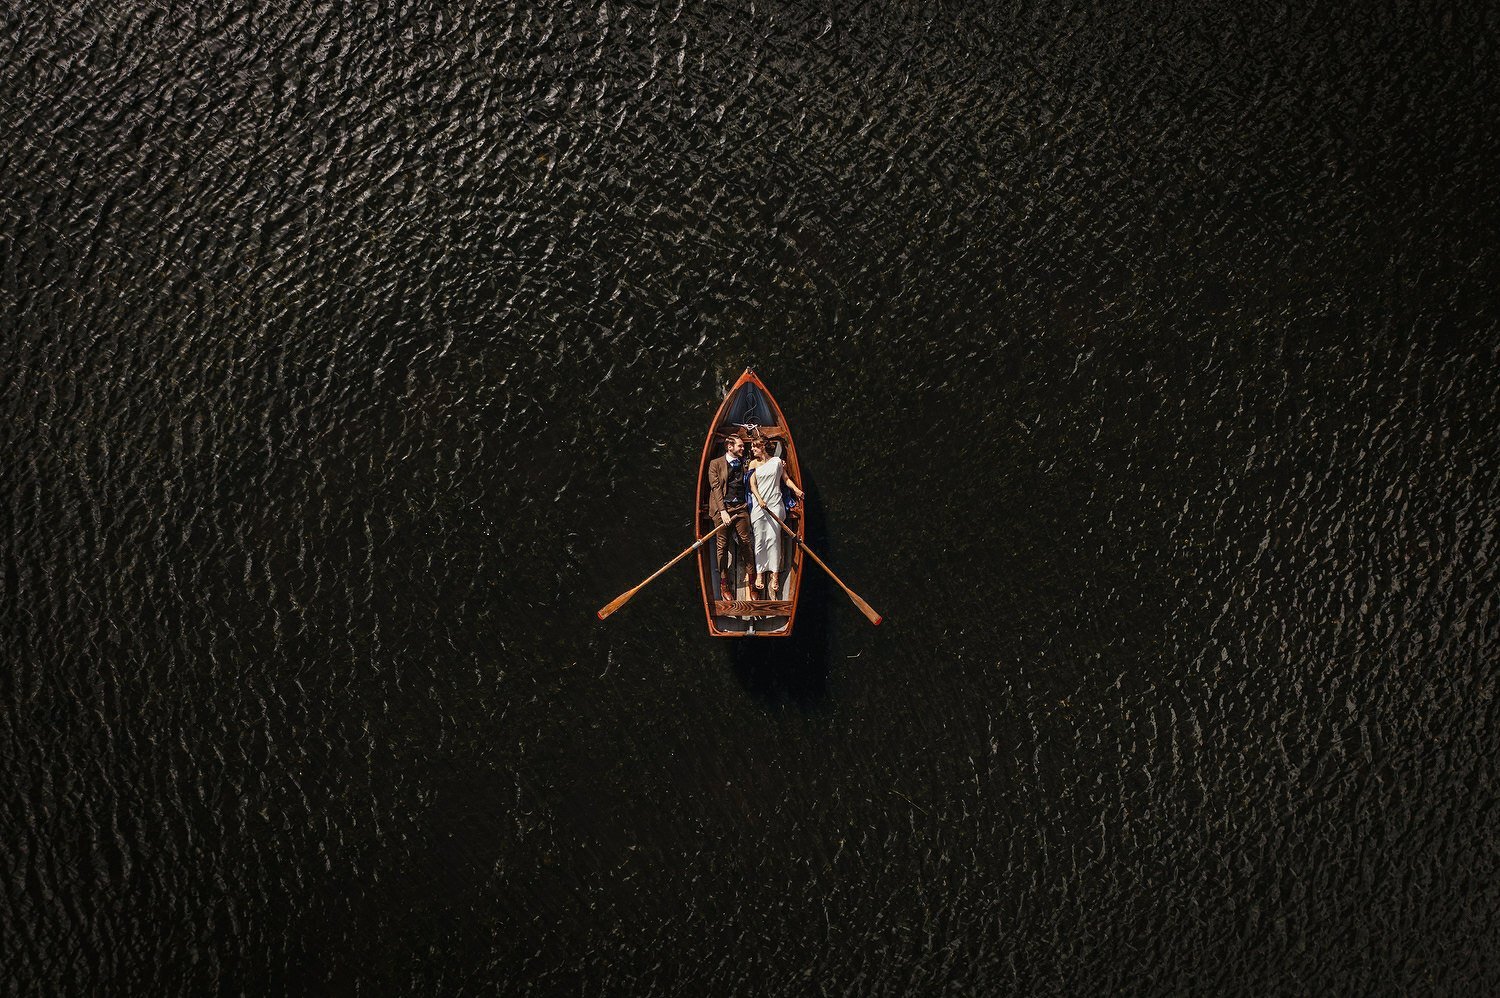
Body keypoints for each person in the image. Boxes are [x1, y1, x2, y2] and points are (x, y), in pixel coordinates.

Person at [746, 433, 805, 599]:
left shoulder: (777, 462)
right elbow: (752, 485)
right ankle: (759, 573)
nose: (752, 450)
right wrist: (759, 500)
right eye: (752, 447)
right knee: (759, 539)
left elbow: (785, 479)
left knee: (773, 539)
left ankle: (774, 574)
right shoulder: (753, 463)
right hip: (760, 506)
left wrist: (796, 490)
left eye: (755, 447)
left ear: (763, 446)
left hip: (775, 504)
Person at [706, 432, 754, 602]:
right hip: (722, 509)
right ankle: (724, 584)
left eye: (743, 446)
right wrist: (723, 511)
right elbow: (716, 488)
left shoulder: (744, 462)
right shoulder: (715, 464)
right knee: (722, 546)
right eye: (740, 446)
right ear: (729, 447)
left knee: (746, 542)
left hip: (740, 507)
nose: (743, 448)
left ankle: (752, 583)